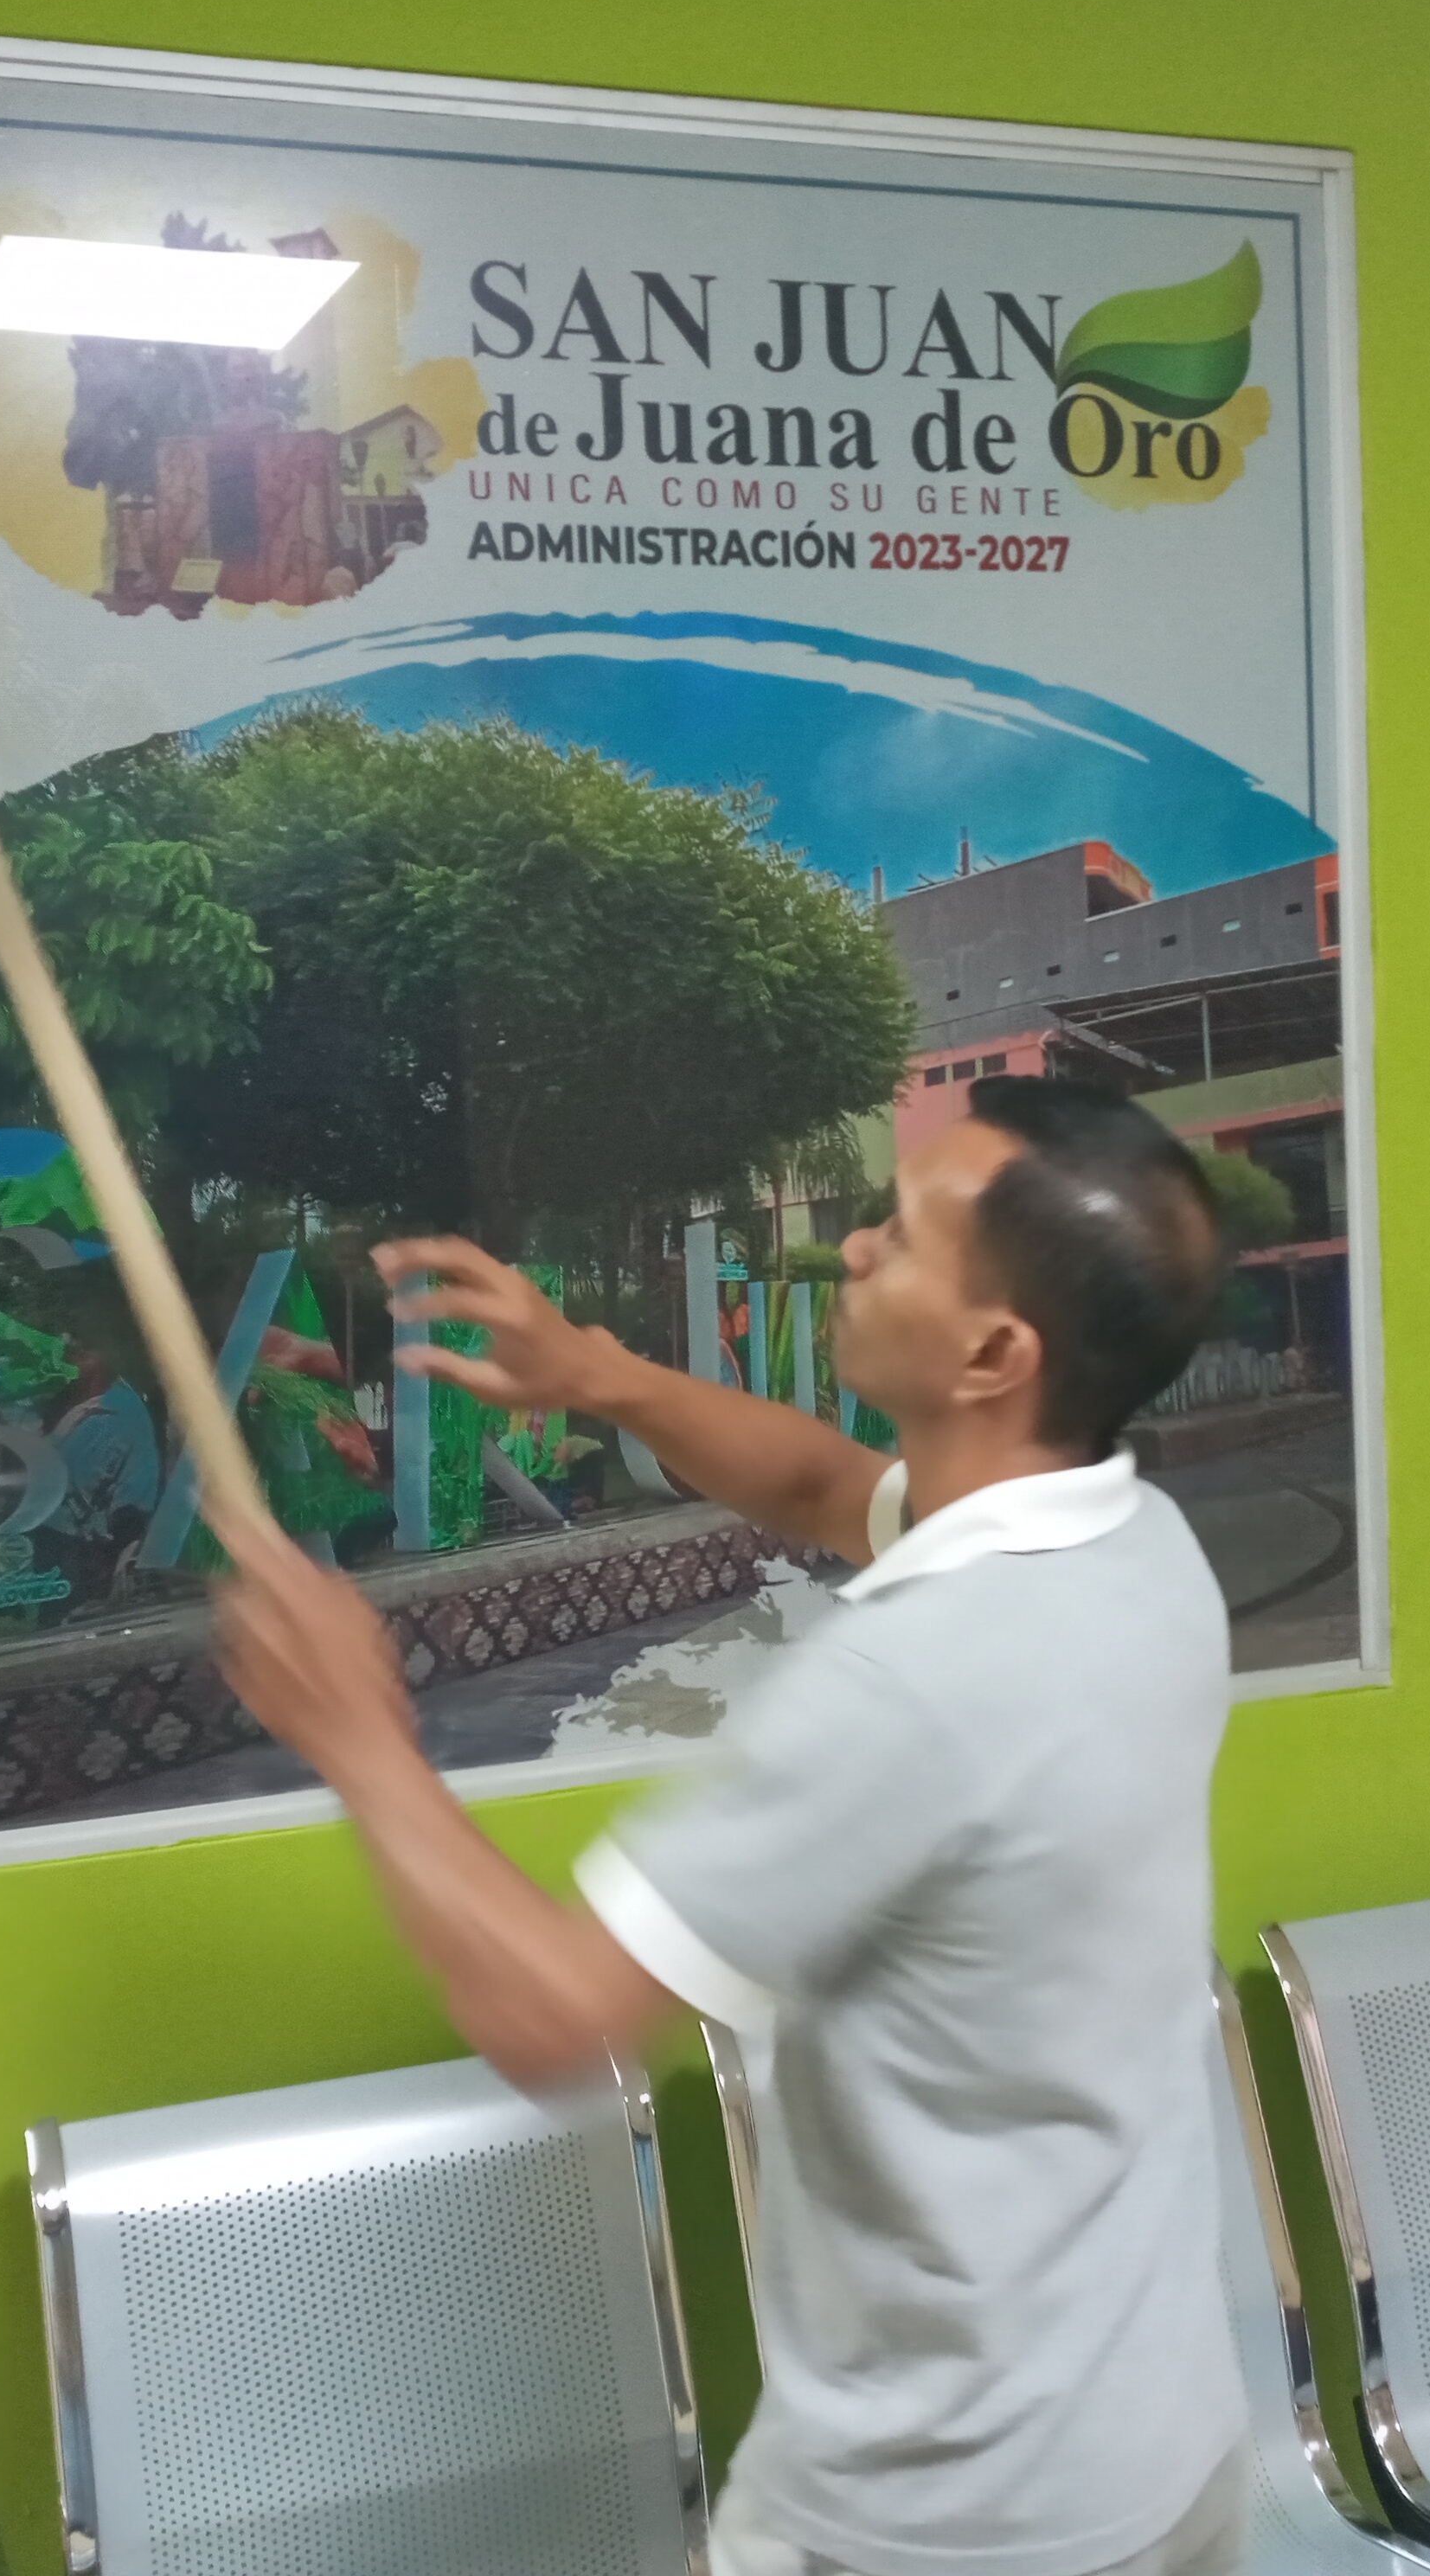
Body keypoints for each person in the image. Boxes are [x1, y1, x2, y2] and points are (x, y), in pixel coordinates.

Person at [214, 1076, 1247, 2576]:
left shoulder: (921, 1677)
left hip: (948, 2518)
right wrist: (596, 1375)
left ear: (994, 1353)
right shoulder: (1132, 1542)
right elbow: (824, 1482)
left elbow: (552, 2012)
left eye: (904, 1236)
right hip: (1150, 2446)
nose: (858, 1248)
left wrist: (359, 1738)